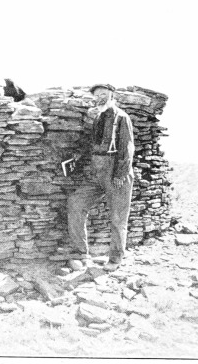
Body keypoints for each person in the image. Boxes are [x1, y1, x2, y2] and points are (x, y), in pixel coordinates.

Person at [65, 84, 135, 272]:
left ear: (112, 95)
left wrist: (120, 174)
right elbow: (93, 145)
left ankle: (116, 258)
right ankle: (81, 253)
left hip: (116, 171)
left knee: (118, 218)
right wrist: (78, 156)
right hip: (97, 172)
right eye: (97, 96)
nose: (100, 98)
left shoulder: (121, 118)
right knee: (76, 203)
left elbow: (127, 148)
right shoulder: (98, 118)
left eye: (103, 94)